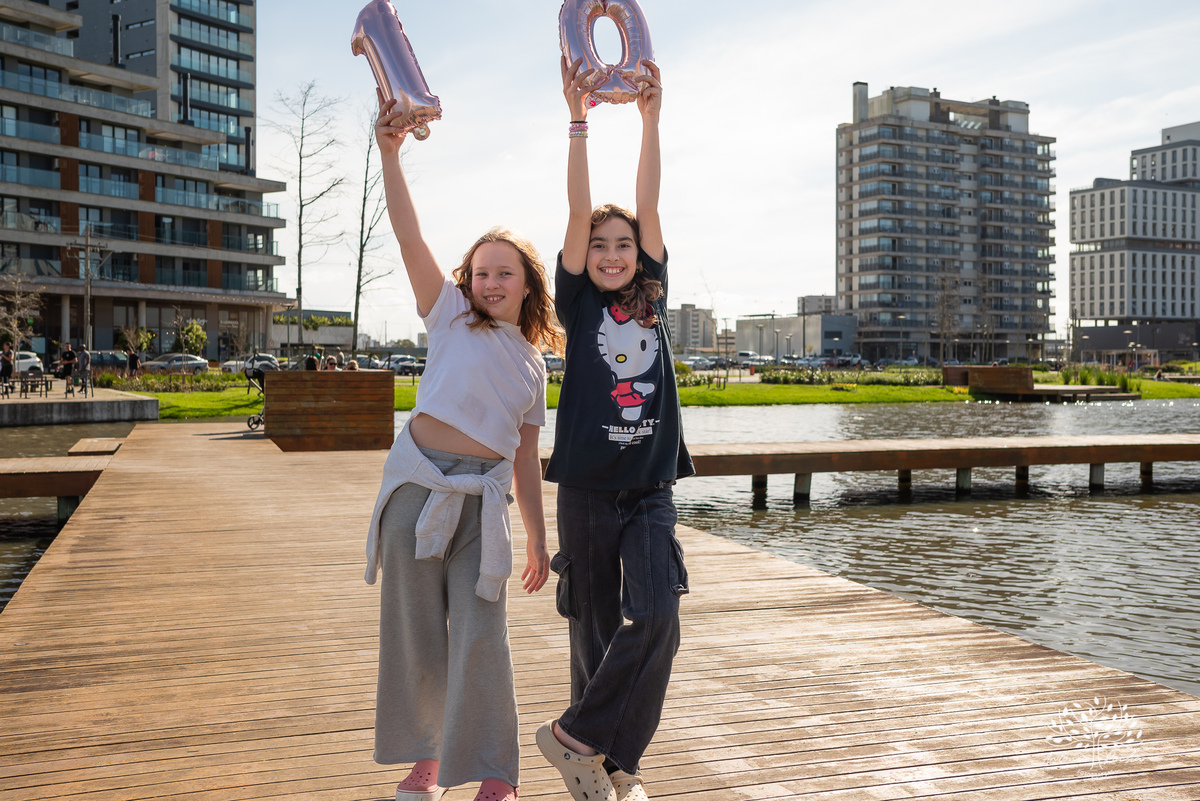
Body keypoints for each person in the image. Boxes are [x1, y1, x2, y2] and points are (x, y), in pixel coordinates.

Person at [364, 89, 562, 801]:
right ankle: (426, 762)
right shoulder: (448, 316)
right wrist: (389, 153)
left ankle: (494, 775)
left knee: (483, 635)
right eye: (480, 271)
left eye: (503, 270)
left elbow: (525, 461)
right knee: (418, 634)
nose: (488, 280)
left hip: (482, 505)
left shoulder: (536, 364)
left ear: (527, 283)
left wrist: (539, 540)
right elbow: (409, 235)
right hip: (416, 489)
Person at [537, 58, 692, 801]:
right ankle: (608, 771)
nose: (609, 253)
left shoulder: (653, 290)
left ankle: (583, 738)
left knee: (658, 613)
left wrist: (651, 120)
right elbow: (575, 214)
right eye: (599, 246)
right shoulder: (578, 304)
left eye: (621, 244)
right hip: (588, 491)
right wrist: (579, 122)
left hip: (650, 488)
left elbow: (648, 202)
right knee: (595, 634)